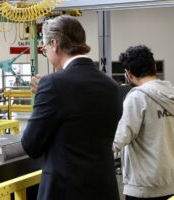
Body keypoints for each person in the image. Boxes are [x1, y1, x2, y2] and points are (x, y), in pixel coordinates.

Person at [21, 15, 122, 200]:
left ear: (54, 44)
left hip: (65, 191)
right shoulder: (111, 85)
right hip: (104, 188)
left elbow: (31, 145)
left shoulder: (53, 85)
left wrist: (43, 98)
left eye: (45, 50)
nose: (47, 54)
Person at [113, 45, 174, 200]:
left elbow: (118, 140)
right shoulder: (171, 94)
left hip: (144, 187)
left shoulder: (137, 98)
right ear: (154, 67)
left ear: (128, 74)